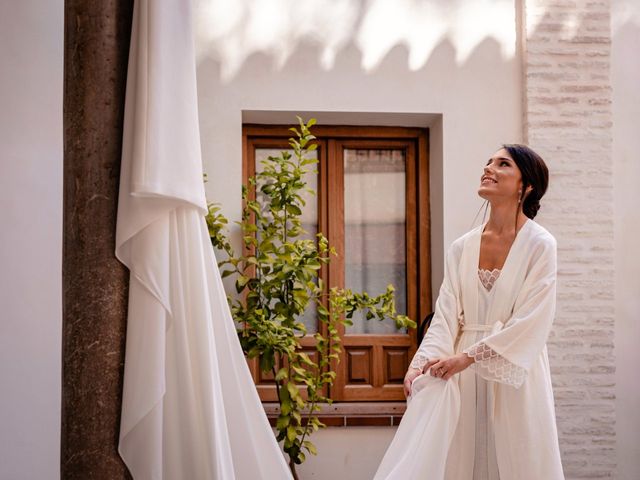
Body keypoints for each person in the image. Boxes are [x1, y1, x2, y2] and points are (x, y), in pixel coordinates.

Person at [374, 145, 565, 480]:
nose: (488, 167)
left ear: (526, 185)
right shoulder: (461, 247)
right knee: (461, 458)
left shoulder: (540, 244)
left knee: (517, 456)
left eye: (502, 163)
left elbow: (532, 320)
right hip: (459, 373)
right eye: (488, 161)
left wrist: (468, 357)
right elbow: (446, 313)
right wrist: (419, 364)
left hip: (513, 368)